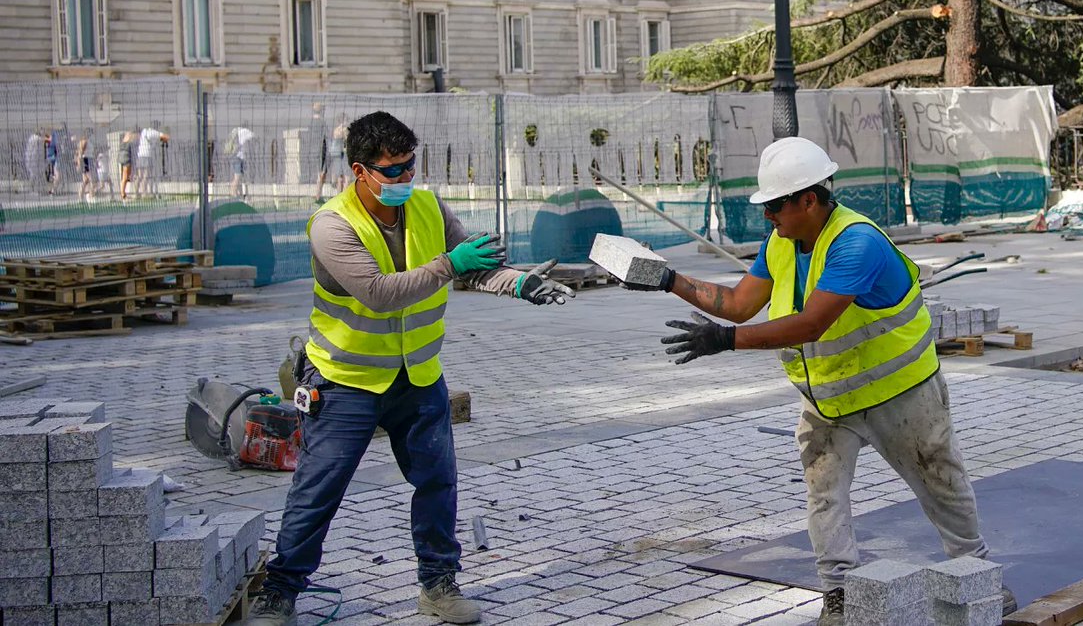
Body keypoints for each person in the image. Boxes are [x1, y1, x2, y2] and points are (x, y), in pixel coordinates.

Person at [622, 137, 1015, 626]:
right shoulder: (782, 243)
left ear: (808, 199)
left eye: (774, 206)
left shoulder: (856, 243)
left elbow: (811, 324)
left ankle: (978, 574)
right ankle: (839, 592)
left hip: (900, 393)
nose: (768, 216)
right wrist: (668, 280)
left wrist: (725, 340)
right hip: (830, 399)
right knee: (824, 492)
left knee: (940, 482)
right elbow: (740, 305)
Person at [244, 111, 576, 626]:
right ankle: (280, 591)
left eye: (410, 165)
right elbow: (379, 294)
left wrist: (518, 283)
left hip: (417, 376)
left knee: (438, 481)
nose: (405, 177)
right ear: (360, 171)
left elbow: (474, 267)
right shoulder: (332, 225)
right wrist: (451, 264)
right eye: (392, 169)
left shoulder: (427, 206)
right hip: (345, 381)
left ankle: (438, 584)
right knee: (319, 490)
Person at [135, 121, 169, 199]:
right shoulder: (154, 132)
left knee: (139, 176)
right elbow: (165, 137)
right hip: (147, 156)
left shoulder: (144, 131)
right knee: (146, 176)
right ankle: (144, 193)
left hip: (140, 155)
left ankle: (136, 193)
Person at [308, 102, 331, 204]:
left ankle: (318, 194)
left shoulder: (311, 122)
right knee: (321, 172)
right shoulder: (321, 122)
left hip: (314, 148)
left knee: (320, 172)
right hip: (321, 149)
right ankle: (318, 195)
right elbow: (327, 135)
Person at [228, 122, 254, 199]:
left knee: (238, 176)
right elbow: (253, 135)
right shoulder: (244, 131)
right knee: (237, 177)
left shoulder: (235, 131)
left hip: (236, 157)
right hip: (238, 158)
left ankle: (237, 193)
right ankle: (233, 193)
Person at [76, 128, 96, 203]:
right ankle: (91, 197)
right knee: (92, 180)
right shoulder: (84, 141)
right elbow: (80, 153)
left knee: (85, 181)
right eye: (90, 133)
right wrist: (79, 164)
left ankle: (80, 197)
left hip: (90, 159)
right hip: (86, 160)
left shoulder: (90, 141)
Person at [118, 130, 136, 202]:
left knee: (126, 176)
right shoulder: (130, 141)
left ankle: (123, 192)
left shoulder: (123, 142)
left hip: (122, 158)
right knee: (125, 177)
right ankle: (123, 194)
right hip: (126, 159)